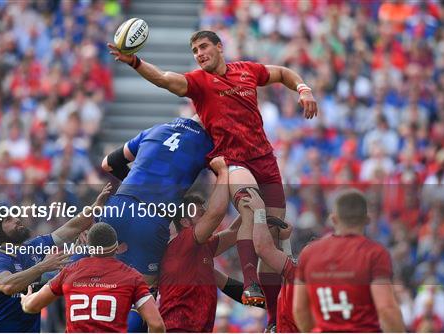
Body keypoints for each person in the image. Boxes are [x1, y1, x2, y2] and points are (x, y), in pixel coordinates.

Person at [109, 29, 318, 314]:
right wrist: (135, 62)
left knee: (270, 233)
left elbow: (282, 72)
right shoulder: (198, 82)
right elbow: (164, 79)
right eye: (195, 51)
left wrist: (304, 89)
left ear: (220, 47)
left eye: (204, 47)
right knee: (250, 206)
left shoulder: (247, 70)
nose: (199, 54)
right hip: (234, 161)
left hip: (265, 159)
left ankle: (272, 317)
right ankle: (250, 283)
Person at [0, 183, 112, 332]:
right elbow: (8, 286)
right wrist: (43, 266)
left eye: (15, 216)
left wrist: (96, 205)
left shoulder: (34, 246)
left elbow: (71, 228)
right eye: (8, 220)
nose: (17, 220)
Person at [99, 116, 213, 286]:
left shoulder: (155, 129)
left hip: (118, 206)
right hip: (151, 219)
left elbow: (108, 163)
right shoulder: (209, 144)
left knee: (99, 281)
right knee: (142, 294)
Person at [292, 189, 406, 333]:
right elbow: (386, 309)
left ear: (334, 219)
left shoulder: (308, 253)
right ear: (367, 220)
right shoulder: (374, 253)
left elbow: (299, 309)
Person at [20, 222, 165, 333]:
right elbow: (157, 324)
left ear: (89, 247)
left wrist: (25, 299)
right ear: (116, 248)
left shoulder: (69, 272)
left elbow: (32, 306)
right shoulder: (132, 276)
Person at [158, 157, 237, 332]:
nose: (206, 218)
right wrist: (223, 172)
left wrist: (254, 208)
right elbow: (216, 214)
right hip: (178, 329)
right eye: (201, 214)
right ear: (185, 222)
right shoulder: (183, 241)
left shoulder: (203, 245)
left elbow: (233, 233)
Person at [241, 188, 298, 333]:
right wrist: (284, 240)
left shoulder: (303, 276)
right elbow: (284, 269)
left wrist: (260, 212)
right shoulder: (311, 276)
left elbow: (264, 249)